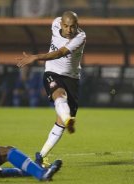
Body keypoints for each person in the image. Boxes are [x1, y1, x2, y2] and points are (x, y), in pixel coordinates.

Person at [17, 11, 86, 167]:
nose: (69, 30)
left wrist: (35, 57)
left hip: (72, 79)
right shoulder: (55, 23)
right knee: (59, 95)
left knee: (60, 122)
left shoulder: (80, 37)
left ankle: (41, 156)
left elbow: (60, 53)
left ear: (77, 26)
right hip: (52, 72)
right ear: (60, 24)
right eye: (66, 26)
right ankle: (68, 117)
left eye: (73, 27)